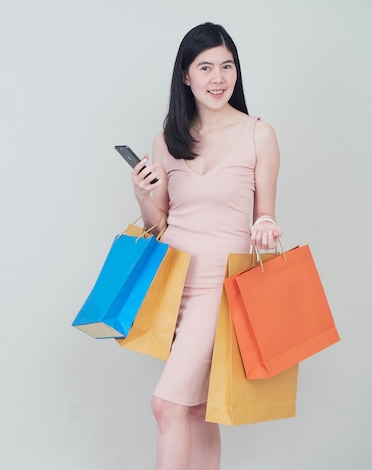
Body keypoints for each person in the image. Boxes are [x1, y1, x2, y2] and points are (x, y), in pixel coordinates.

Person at [131, 22, 283, 470]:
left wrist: (267, 227)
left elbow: (266, 214)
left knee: (167, 405)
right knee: (196, 410)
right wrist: (143, 197)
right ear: (185, 76)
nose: (218, 78)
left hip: (219, 287)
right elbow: (158, 225)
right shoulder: (166, 140)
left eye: (227, 66)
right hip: (174, 287)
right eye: (206, 67)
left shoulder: (259, 134)